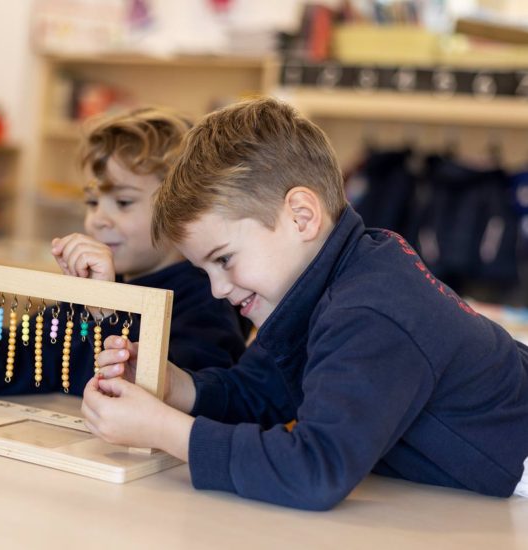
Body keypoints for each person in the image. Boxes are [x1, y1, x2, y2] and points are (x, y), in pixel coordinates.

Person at [83, 97, 528, 510]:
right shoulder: (315, 287)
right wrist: (175, 387)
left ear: (301, 216)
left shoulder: (369, 309)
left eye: (224, 260)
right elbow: (261, 394)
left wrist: (163, 429)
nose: (218, 288)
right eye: (206, 271)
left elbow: (316, 470)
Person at [0, 107, 247, 396]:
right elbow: (26, 366)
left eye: (123, 202)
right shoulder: (91, 289)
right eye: (93, 202)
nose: (99, 219)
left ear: (182, 209)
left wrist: (107, 310)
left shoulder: (208, 298)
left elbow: (194, 392)